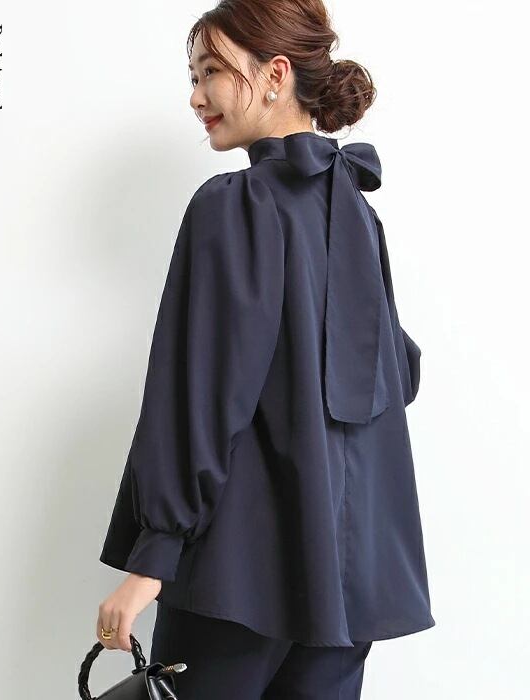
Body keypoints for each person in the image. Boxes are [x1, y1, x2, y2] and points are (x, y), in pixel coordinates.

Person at [95, 1, 435, 697]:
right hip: (351, 583)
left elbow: (201, 394)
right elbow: (396, 375)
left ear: (275, 74)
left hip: (239, 578)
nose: (196, 98)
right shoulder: (357, 210)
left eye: (210, 73)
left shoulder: (234, 205)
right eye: (194, 77)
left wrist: (153, 557)